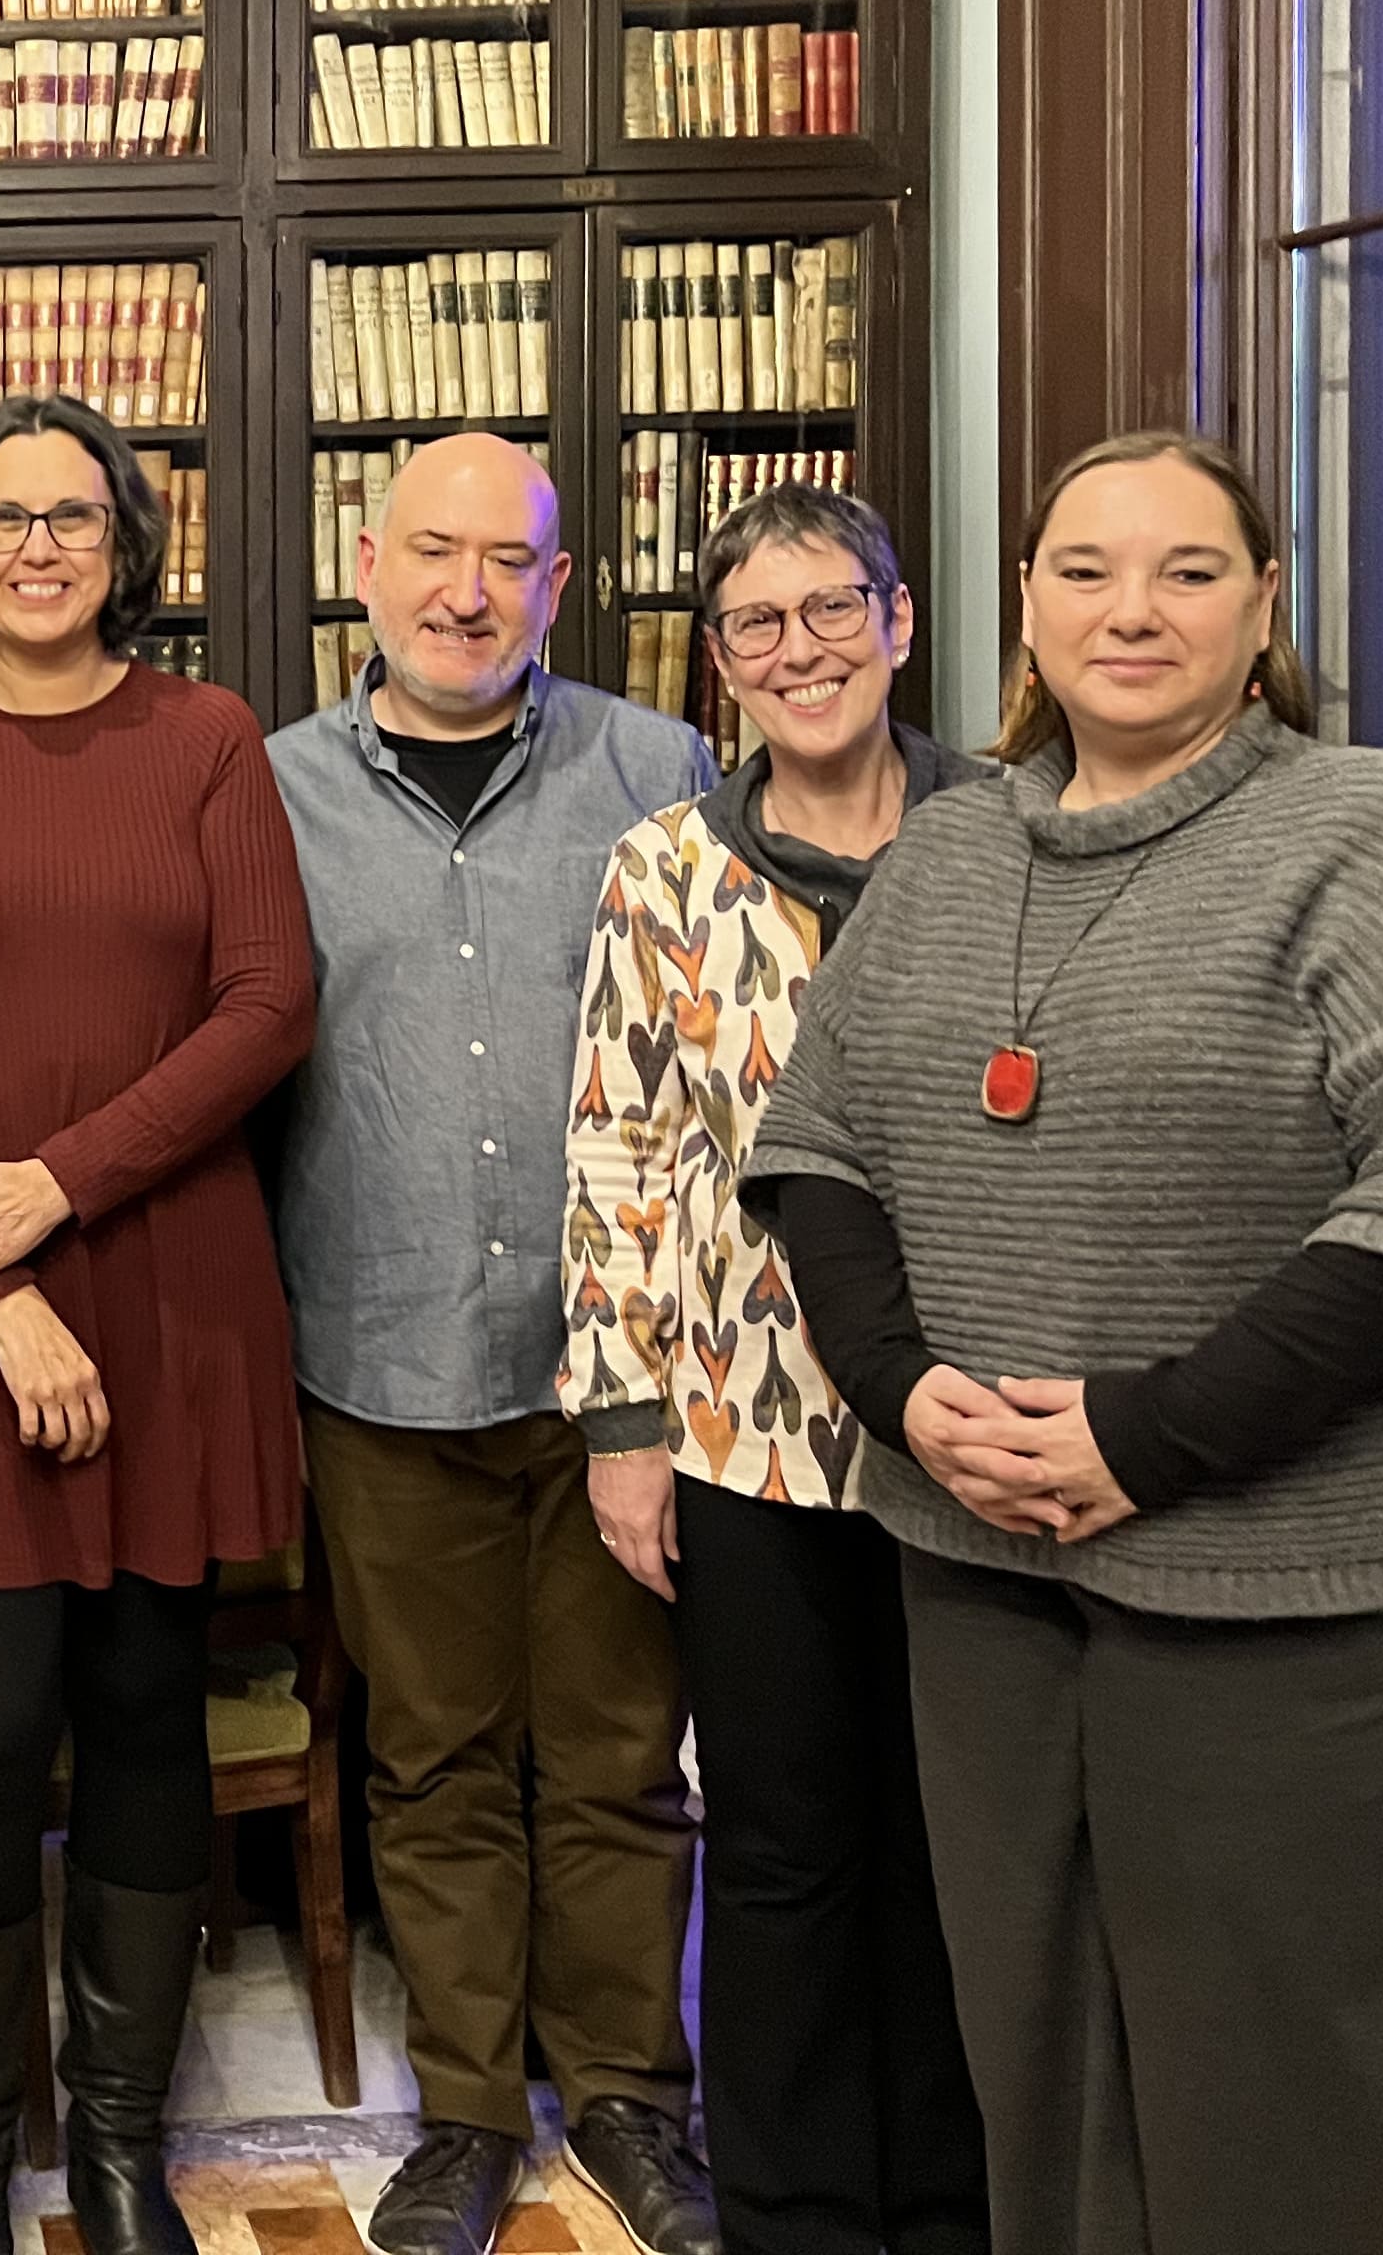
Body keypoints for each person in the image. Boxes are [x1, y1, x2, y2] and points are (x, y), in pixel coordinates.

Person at [741, 430, 1383, 2255]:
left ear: (1264, 604)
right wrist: (904, 1391)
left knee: (1265, 2112)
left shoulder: (1378, 832)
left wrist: (1150, 1435)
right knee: (1040, 2085)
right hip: (986, 1571)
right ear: (1024, 603)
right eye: (1086, 569)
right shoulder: (953, 847)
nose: (1131, 609)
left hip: (1305, 1595)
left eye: (1188, 571)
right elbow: (818, 1145)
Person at [0, 395, 317, 2255]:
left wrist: (62, 1183)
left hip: (166, 1283)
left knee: (143, 1708)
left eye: (75, 518)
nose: (40, 548)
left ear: (125, 545)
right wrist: (4, 1270)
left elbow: (268, 1002)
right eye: (6, 519)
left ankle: (115, 2146)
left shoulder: (208, 740)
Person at [264, 431, 722, 2255]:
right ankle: (464, 2113)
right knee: (434, 1760)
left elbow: (717, 1065)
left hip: (620, 1374)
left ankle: (627, 2102)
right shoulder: (271, 790)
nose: (466, 593)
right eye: (434, 552)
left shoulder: (659, 770)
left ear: (558, 583)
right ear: (368, 565)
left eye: (508, 561)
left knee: (621, 1757)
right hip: (375, 1350)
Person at [559, 484, 991, 2255]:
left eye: (833, 610)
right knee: (784, 1843)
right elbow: (617, 1149)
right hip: (746, 1434)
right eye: (757, 624)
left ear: (898, 624)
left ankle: (955, 2205)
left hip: (984, 1434)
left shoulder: (1009, 839)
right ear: (719, 664)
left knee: (960, 1842)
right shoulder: (665, 869)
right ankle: (800, 2213)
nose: (799, 650)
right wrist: (623, 1420)